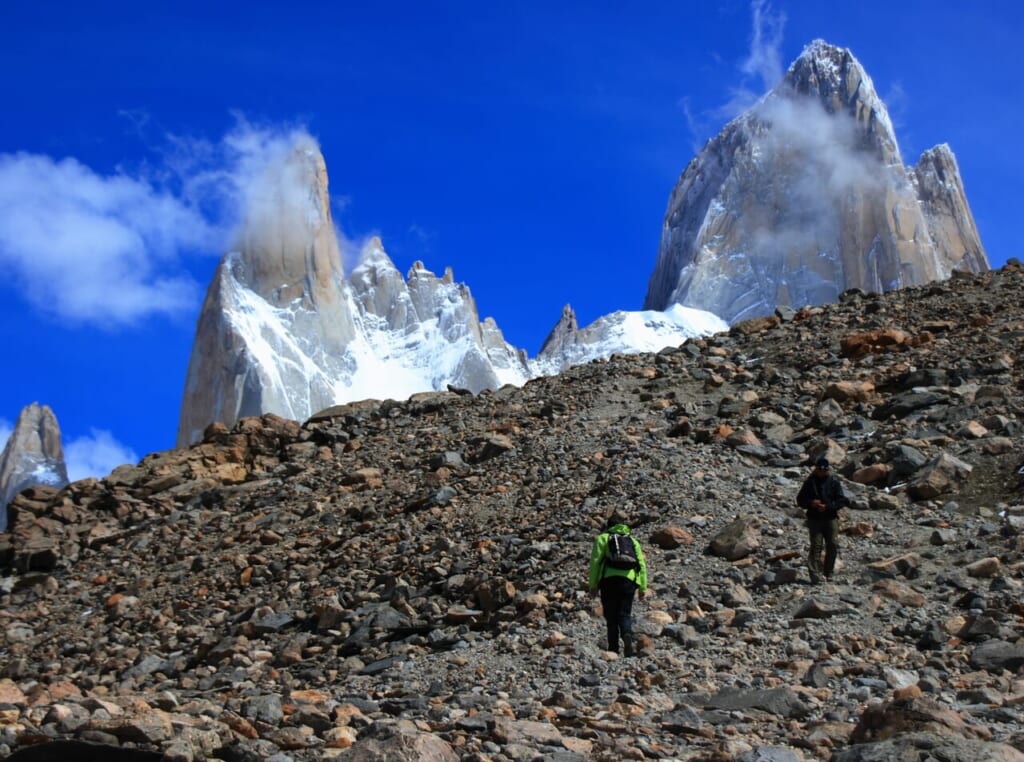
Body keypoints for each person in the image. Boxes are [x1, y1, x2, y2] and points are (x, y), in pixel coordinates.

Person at [588, 513, 648, 656]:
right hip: (629, 580)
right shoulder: (633, 541)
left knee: (611, 615)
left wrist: (593, 585)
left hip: (608, 580)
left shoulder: (603, 538)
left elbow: (595, 563)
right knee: (624, 614)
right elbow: (641, 565)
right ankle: (627, 636)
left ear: (608, 526)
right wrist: (642, 587)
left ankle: (613, 648)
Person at [796, 457, 849, 583]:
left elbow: (842, 500)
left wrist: (828, 506)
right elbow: (800, 500)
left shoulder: (834, 483)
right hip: (814, 519)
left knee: (832, 544)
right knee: (816, 545)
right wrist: (812, 503)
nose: (822, 472)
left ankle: (828, 572)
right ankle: (814, 573)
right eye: (820, 469)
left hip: (830, 518)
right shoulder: (810, 483)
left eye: (824, 469)